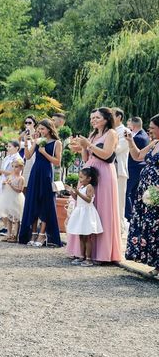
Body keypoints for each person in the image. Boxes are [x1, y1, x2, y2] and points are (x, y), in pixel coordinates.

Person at [70, 107, 122, 262]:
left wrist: (89, 145)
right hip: (90, 169)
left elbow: (107, 154)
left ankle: (102, 253)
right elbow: (86, 158)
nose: (93, 120)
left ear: (106, 119)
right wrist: (82, 147)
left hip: (104, 172)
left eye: (97, 118)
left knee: (102, 209)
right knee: (85, 208)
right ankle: (83, 252)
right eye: (92, 118)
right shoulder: (92, 135)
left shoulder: (111, 134)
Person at [18, 118, 63, 247]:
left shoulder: (57, 143)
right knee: (33, 201)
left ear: (49, 129)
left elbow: (57, 162)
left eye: (42, 129)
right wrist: (27, 143)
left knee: (45, 202)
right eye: (39, 129)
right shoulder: (38, 141)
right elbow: (27, 156)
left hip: (46, 172)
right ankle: (32, 233)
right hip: (35, 172)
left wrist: (44, 153)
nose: (40, 131)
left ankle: (42, 234)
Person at [124, 114, 159, 276]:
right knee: (149, 226)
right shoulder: (154, 143)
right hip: (146, 191)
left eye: (152, 128)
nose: (149, 131)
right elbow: (137, 156)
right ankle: (156, 264)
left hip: (156, 190)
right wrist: (130, 141)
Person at [66, 167, 103, 267]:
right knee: (81, 236)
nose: (80, 179)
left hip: (87, 213)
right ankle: (81, 256)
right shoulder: (81, 187)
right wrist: (72, 193)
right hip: (80, 212)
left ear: (89, 178)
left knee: (87, 236)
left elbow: (89, 200)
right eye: (79, 177)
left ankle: (88, 258)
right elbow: (77, 199)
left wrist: (78, 193)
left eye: (82, 177)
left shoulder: (89, 187)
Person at [0, 140, 21, 235]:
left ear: (16, 148)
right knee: (3, 207)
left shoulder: (17, 158)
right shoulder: (7, 157)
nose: (8, 148)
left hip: (11, 184)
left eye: (10, 146)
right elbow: (4, 170)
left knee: (10, 207)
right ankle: (5, 227)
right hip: (4, 182)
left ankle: (12, 229)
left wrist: (1, 171)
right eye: (7, 146)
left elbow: (14, 172)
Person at [126, 116, 150, 220]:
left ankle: (128, 215)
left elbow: (134, 154)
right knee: (134, 193)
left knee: (126, 192)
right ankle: (134, 214)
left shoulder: (137, 138)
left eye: (129, 124)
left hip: (133, 168)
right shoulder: (145, 135)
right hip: (139, 168)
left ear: (133, 124)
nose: (128, 126)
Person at [0, 158, 25, 243]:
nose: (14, 169)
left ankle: (15, 235)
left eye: (16, 167)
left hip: (16, 199)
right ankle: (8, 234)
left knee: (16, 218)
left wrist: (11, 185)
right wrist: (5, 184)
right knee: (8, 217)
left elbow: (20, 190)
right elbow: (5, 186)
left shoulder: (21, 178)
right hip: (8, 198)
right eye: (13, 167)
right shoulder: (9, 176)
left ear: (21, 168)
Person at [112, 107, 131, 235]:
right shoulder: (109, 131)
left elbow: (118, 149)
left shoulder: (125, 132)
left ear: (119, 117)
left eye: (111, 115)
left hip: (119, 170)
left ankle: (119, 228)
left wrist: (105, 144)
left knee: (119, 201)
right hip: (108, 170)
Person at [19, 116, 38, 194]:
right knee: (24, 183)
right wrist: (22, 136)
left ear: (34, 123)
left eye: (29, 122)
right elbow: (18, 144)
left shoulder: (37, 133)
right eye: (26, 122)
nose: (27, 124)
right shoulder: (24, 133)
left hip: (34, 159)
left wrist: (32, 139)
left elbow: (37, 145)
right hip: (25, 159)